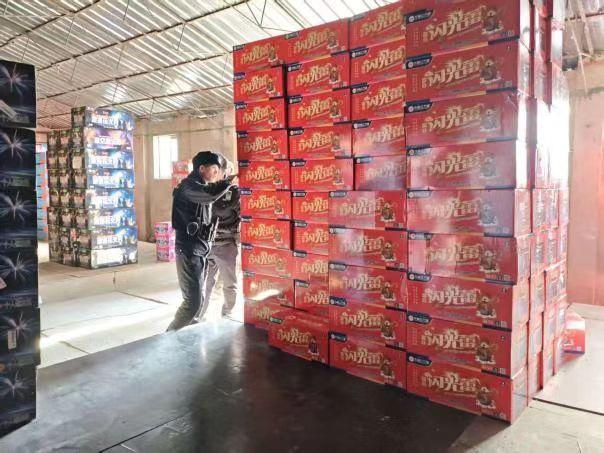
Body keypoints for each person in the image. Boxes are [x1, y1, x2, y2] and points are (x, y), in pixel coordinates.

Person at [166, 151, 233, 331]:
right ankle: (168, 337)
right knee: (192, 302)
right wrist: (228, 181)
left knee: (198, 299)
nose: (216, 174)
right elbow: (209, 195)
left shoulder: (199, 185)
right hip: (189, 250)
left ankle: (186, 335)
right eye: (214, 170)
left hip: (200, 249)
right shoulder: (189, 187)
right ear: (202, 169)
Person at [194, 158, 240, 321]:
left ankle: (227, 313)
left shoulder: (233, 192)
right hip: (207, 245)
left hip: (225, 244)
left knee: (229, 283)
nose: (213, 173)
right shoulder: (206, 189)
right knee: (205, 282)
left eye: (216, 170)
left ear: (225, 172)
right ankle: (201, 313)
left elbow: (232, 213)